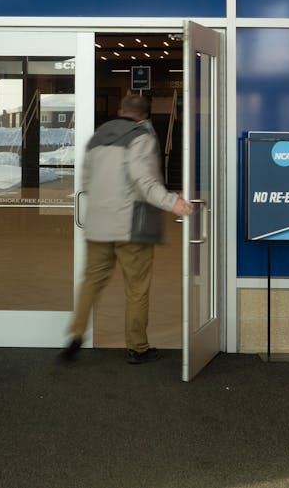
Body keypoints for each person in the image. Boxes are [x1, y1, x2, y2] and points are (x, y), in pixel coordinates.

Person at [60, 92, 193, 365]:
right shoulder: (141, 137)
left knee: (92, 281)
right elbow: (143, 182)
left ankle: (75, 334)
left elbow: (86, 180)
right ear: (145, 115)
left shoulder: (97, 138)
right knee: (136, 287)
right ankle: (137, 347)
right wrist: (173, 202)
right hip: (131, 226)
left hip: (98, 225)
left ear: (120, 109)